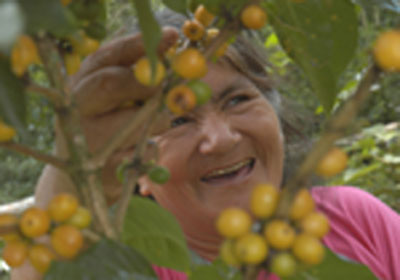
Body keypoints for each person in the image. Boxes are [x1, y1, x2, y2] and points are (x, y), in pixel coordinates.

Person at [11, 9, 400, 280]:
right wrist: (70, 171)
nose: (220, 138)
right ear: (136, 168)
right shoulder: (126, 267)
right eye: (178, 120)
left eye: (238, 100)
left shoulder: (355, 220)